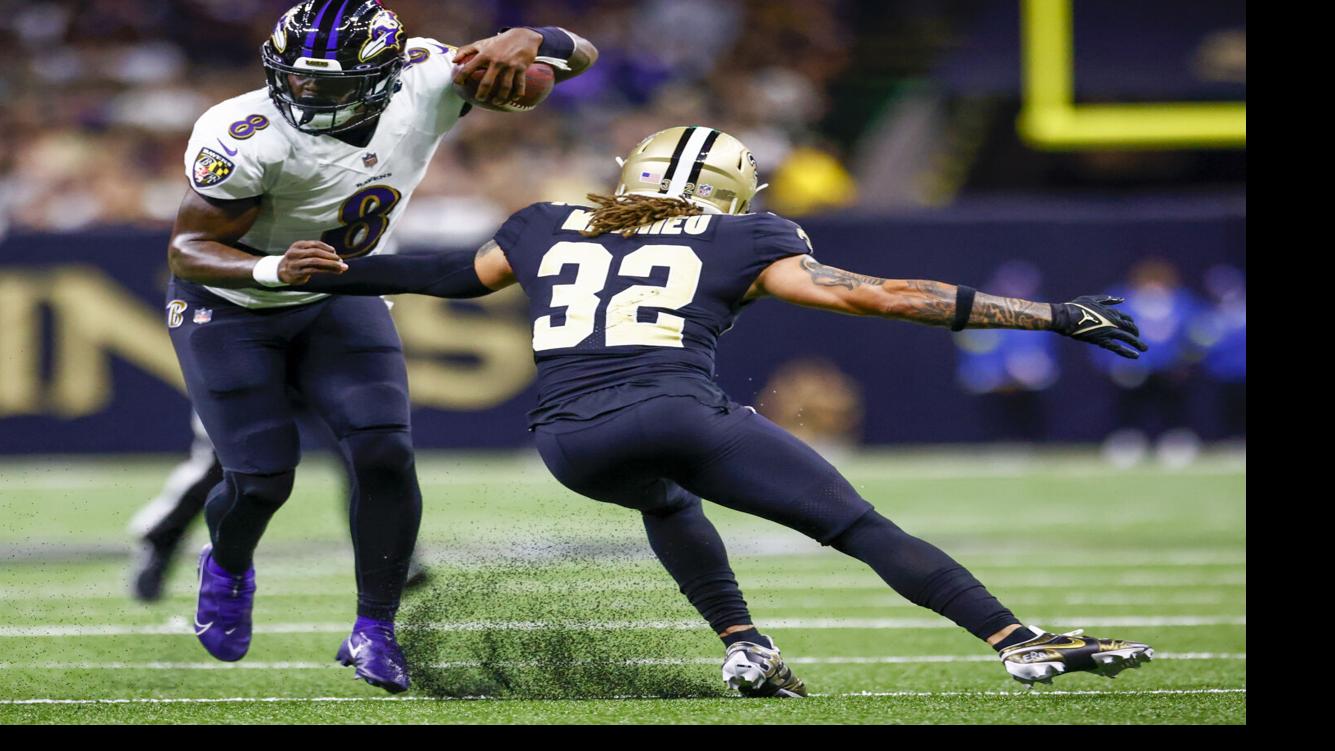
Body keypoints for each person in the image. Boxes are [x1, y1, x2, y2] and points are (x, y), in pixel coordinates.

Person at [274, 126, 1154, 697]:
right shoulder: (744, 235)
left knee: (663, 497)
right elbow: (879, 297)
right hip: (676, 409)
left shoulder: (546, 221)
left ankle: (742, 643)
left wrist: (338, 269)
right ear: (734, 194)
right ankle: (1015, 638)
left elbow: (451, 277)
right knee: (855, 524)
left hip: (569, 442)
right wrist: (1046, 313)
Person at [164, 0, 597, 693]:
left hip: (337, 292)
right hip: (233, 306)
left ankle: (375, 627)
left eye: (327, 84)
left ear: (385, 77)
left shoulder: (425, 76)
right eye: (295, 78)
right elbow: (188, 249)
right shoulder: (242, 131)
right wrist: (270, 268)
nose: (305, 94)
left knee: (384, 450)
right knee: (262, 480)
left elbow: (577, 58)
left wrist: (530, 38)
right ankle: (228, 564)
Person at [127, 408, 429, 603]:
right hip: (250, 339)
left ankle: (391, 551)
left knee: (367, 449)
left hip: (322, 340)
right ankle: (161, 539)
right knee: (224, 463)